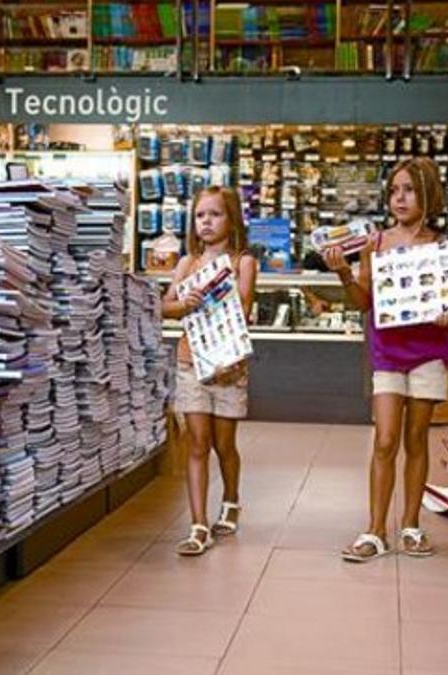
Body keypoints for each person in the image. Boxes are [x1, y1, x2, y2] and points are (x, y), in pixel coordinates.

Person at [322, 157, 448, 562]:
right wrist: (344, 274)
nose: (400, 198)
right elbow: (364, 301)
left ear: (429, 193)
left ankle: (411, 526)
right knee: (384, 439)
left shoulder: (441, 245)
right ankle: (376, 530)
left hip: (429, 351)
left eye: (410, 189)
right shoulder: (374, 243)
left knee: (417, 439)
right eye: (395, 190)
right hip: (386, 351)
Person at [161, 186, 258, 556]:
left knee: (224, 444)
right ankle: (199, 525)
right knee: (197, 443)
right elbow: (164, 307)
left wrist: (216, 291)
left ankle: (231, 498)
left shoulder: (243, 262)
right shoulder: (186, 264)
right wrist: (182, 303)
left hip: (229, 366)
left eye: (215, 214)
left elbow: (244, 309)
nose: (206, 222)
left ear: (232, 219)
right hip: (190, 362)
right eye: (200, 215)